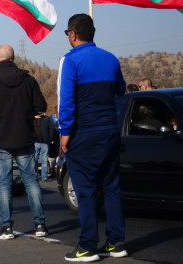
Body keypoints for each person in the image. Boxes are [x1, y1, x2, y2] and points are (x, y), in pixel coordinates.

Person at [58, 14, 128, 261]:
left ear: (73, 34)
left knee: (85, 190)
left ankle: (87, 246)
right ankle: (116, 243)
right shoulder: (110, 58)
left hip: (83, 132)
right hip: (109, 130)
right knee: (111, 187)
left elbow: (66, 100)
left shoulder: (70, 60)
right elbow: (121, 89)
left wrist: (64, 134)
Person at [0, 44, 48, 240]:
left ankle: (6, 228)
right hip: (24, 138)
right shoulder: (28, 80)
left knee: (4, 184)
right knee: (31, 181)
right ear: (13, 59)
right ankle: (40, 224)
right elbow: (41, 107)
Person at [34, 108, 56, 182]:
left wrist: (49, 139)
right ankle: (35, 176)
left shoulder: (47, 119)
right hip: (35, 143)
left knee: (44, 160)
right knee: (34, 160)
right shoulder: (32, 119)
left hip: (45, 143)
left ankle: (44, 177)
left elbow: (51, 129)